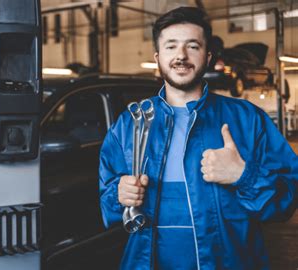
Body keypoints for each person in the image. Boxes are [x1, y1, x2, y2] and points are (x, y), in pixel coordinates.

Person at [99, 6, 297, 270]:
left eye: (192, 46)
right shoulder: (129, 124)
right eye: (171, 47)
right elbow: (107, 201)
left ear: (208, 56)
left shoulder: (247, 120)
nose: (181, 56)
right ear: (157, 57)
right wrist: (119, 194)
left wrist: (243, 175)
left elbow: (287, 200)